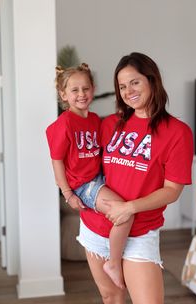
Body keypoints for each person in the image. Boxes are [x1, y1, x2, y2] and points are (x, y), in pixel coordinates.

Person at [76, 52, 194, 304]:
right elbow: (82, 163)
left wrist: (130, 207)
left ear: (152, 80)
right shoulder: (109, 124)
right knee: (110, 300)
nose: (128, 92)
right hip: (97, 228)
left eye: (134, 82)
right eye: (122, 86)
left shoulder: (177, 132)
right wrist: (72, 191)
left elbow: (172, 190)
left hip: (139, 232)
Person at [46, 63, 134, 289]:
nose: (81, 94)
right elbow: (56, 162)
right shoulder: (63, 123)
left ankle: (121, 259)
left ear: (93, 89)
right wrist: (68, 194)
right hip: (83, 186)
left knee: (127, 208)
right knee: (124, 212)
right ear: (63, 94)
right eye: (74, 90)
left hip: (99, 179)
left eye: (85, 88)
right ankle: (114, 263)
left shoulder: (95, 120)